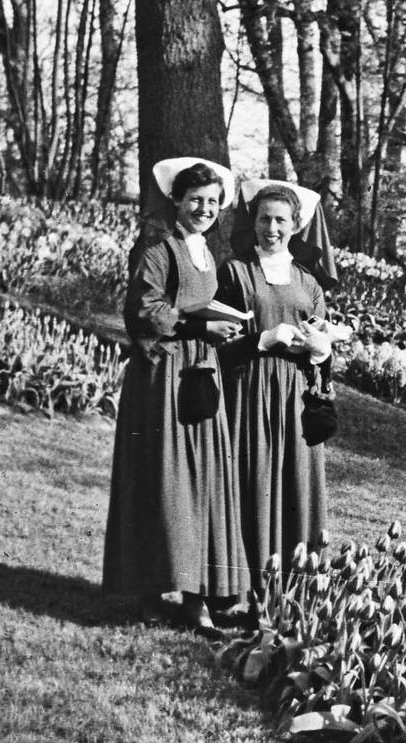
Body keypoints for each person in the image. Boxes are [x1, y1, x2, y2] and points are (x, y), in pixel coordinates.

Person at [102, 158, 249, 636]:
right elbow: (144, 309)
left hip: (200, 373)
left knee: (202, 479)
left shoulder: (207, 252)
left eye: (212, 202)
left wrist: (216, 330)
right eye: (195, 200)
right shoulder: (158, 248)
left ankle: (196, 595)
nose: (204, 209)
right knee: (162, 474)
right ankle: (151, 589)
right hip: (163, 375)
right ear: (177, 202)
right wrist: (195, 325)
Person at [216, 181, 334, 594]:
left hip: (297, 398)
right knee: (254, 482)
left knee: (297, 485)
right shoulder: (235, 272)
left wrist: (320, 351)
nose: (271, 228)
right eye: (264, 218)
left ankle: (296, 592)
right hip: (249, 392)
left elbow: (325, 352)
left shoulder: (309, 282)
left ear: (296, 225)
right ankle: (246, 593)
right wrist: (264, 339)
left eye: (280, 220)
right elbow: (219, 346)